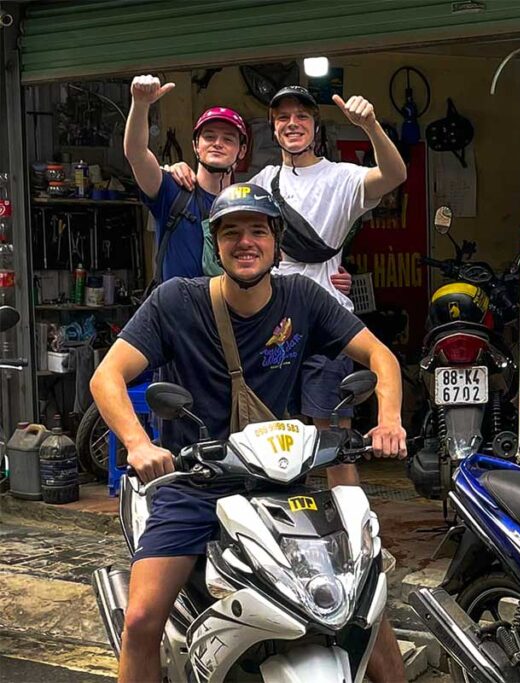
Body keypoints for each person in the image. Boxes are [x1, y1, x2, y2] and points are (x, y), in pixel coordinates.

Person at [90, 184, 408, 683]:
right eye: (231, 232)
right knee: (142, 619)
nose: (246, 242)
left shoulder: (302, 298)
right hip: (194, 484)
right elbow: (106, 376)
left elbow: (380, 357)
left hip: (282, 483)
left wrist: (389, 421)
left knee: (362, 604)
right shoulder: (176, 302)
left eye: (258, 230)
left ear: (276, 242)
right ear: (215, 245)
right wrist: (139, 444)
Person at [170, 85, 406, 488]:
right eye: (282, 117)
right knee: (268, 436)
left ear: (316, 127)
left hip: (321, 318)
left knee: (333, 435)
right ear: (273, 128)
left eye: (302, 116)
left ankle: (349, 531)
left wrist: (370, 125)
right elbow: (222, 207)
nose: (292, 124)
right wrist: (180, 169)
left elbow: (394, 175)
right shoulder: (263, 180)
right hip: (267, 323)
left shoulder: (341, 177)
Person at [125, 74, 248, 281]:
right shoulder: (172, 190)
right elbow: (136, 153)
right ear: (195, 145)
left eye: (228, 139)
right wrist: (140, 104)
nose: (217, 143)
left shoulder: (244, 204)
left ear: (242, 150)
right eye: (209, 136)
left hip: (225, 312)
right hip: (176, 312)